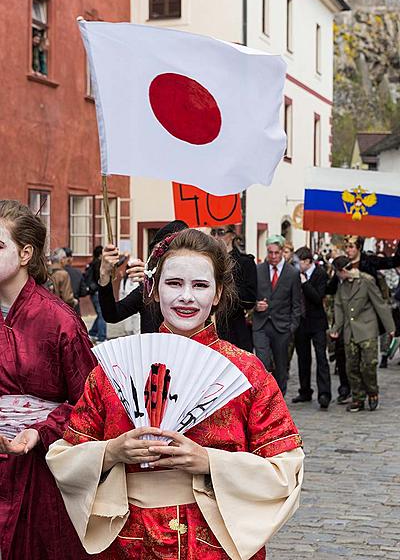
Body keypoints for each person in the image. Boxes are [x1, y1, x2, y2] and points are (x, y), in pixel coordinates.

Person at [47, 229, 304, 560]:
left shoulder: (247, 372)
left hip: (214, 539)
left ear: (217, 294)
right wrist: (111, 451)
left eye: (200, 285)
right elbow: (65, 456)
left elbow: (286, 468)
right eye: (174, 283)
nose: (186, 297)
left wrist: (211, 462)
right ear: (152, 290)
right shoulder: (114, 371)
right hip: (125, 541)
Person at [0, 200, 96, 560]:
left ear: (26, 253)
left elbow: (92, 401)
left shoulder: (60, 321)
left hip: (42, 470)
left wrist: (42, 430)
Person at [330, 256, 395, 413]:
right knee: (351, 366)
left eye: (337, 272)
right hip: (350, 331)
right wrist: (335, 328)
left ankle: (372, 392)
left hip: (367, 329)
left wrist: (390, 327)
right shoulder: (342, 286)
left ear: (343, 271)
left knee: (368, 365)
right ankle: (358, 398)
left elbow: (379, 303)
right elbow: (338, 307)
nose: (337, 275)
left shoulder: (366, 281)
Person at [98, 221, 188, 333]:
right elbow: (112, 315)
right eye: (160, 252)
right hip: (151, 349)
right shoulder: (146, 290)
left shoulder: (197, 290)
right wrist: (104, 275)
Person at [253, 235, 303, 395]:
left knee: (281, 366)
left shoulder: (292, 273)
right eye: (270, 253)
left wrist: (292, 327)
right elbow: (250, 295)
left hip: (282, 327)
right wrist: (255, 306)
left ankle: (279, 398)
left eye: (276, 253)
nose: (273, 256)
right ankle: (263, 398)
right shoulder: (258, 269)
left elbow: (297, 303)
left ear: (282, 252)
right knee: (262, 362)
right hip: (261, 324)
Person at [292, 247, 331, 409]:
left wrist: (305, 283)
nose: (295, 265)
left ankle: (324, 393)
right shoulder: (295, 275)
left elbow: (317, 297)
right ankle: (305, 390)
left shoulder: (320, 274)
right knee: (303, 358)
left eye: (298, 262)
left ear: (307, 262)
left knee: (321, 357)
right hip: (301, 322)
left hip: (317, 322)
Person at [211, 224, 257, 351]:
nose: (215, 236)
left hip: (234, 328)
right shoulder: (206, 262)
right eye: (213, 232)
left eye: (220, 232)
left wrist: (226, 288)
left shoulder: (245, 262)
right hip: (208, 328)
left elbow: (250, 299)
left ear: (232, 235)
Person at [85, 245, 107, 342]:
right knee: (102, 314)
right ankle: (102, 337)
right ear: (100, 254)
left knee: (100, 314)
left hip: (93, 292)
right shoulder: (99, 264)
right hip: (98, 291)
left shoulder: (92, 263)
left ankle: (93, 333)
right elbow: (100, 278)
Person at [62, 247, 89, 316]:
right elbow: (83, 292)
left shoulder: (55, 273)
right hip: (74, 308)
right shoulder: (77, 273)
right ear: (70, 259)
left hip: (59, 307)